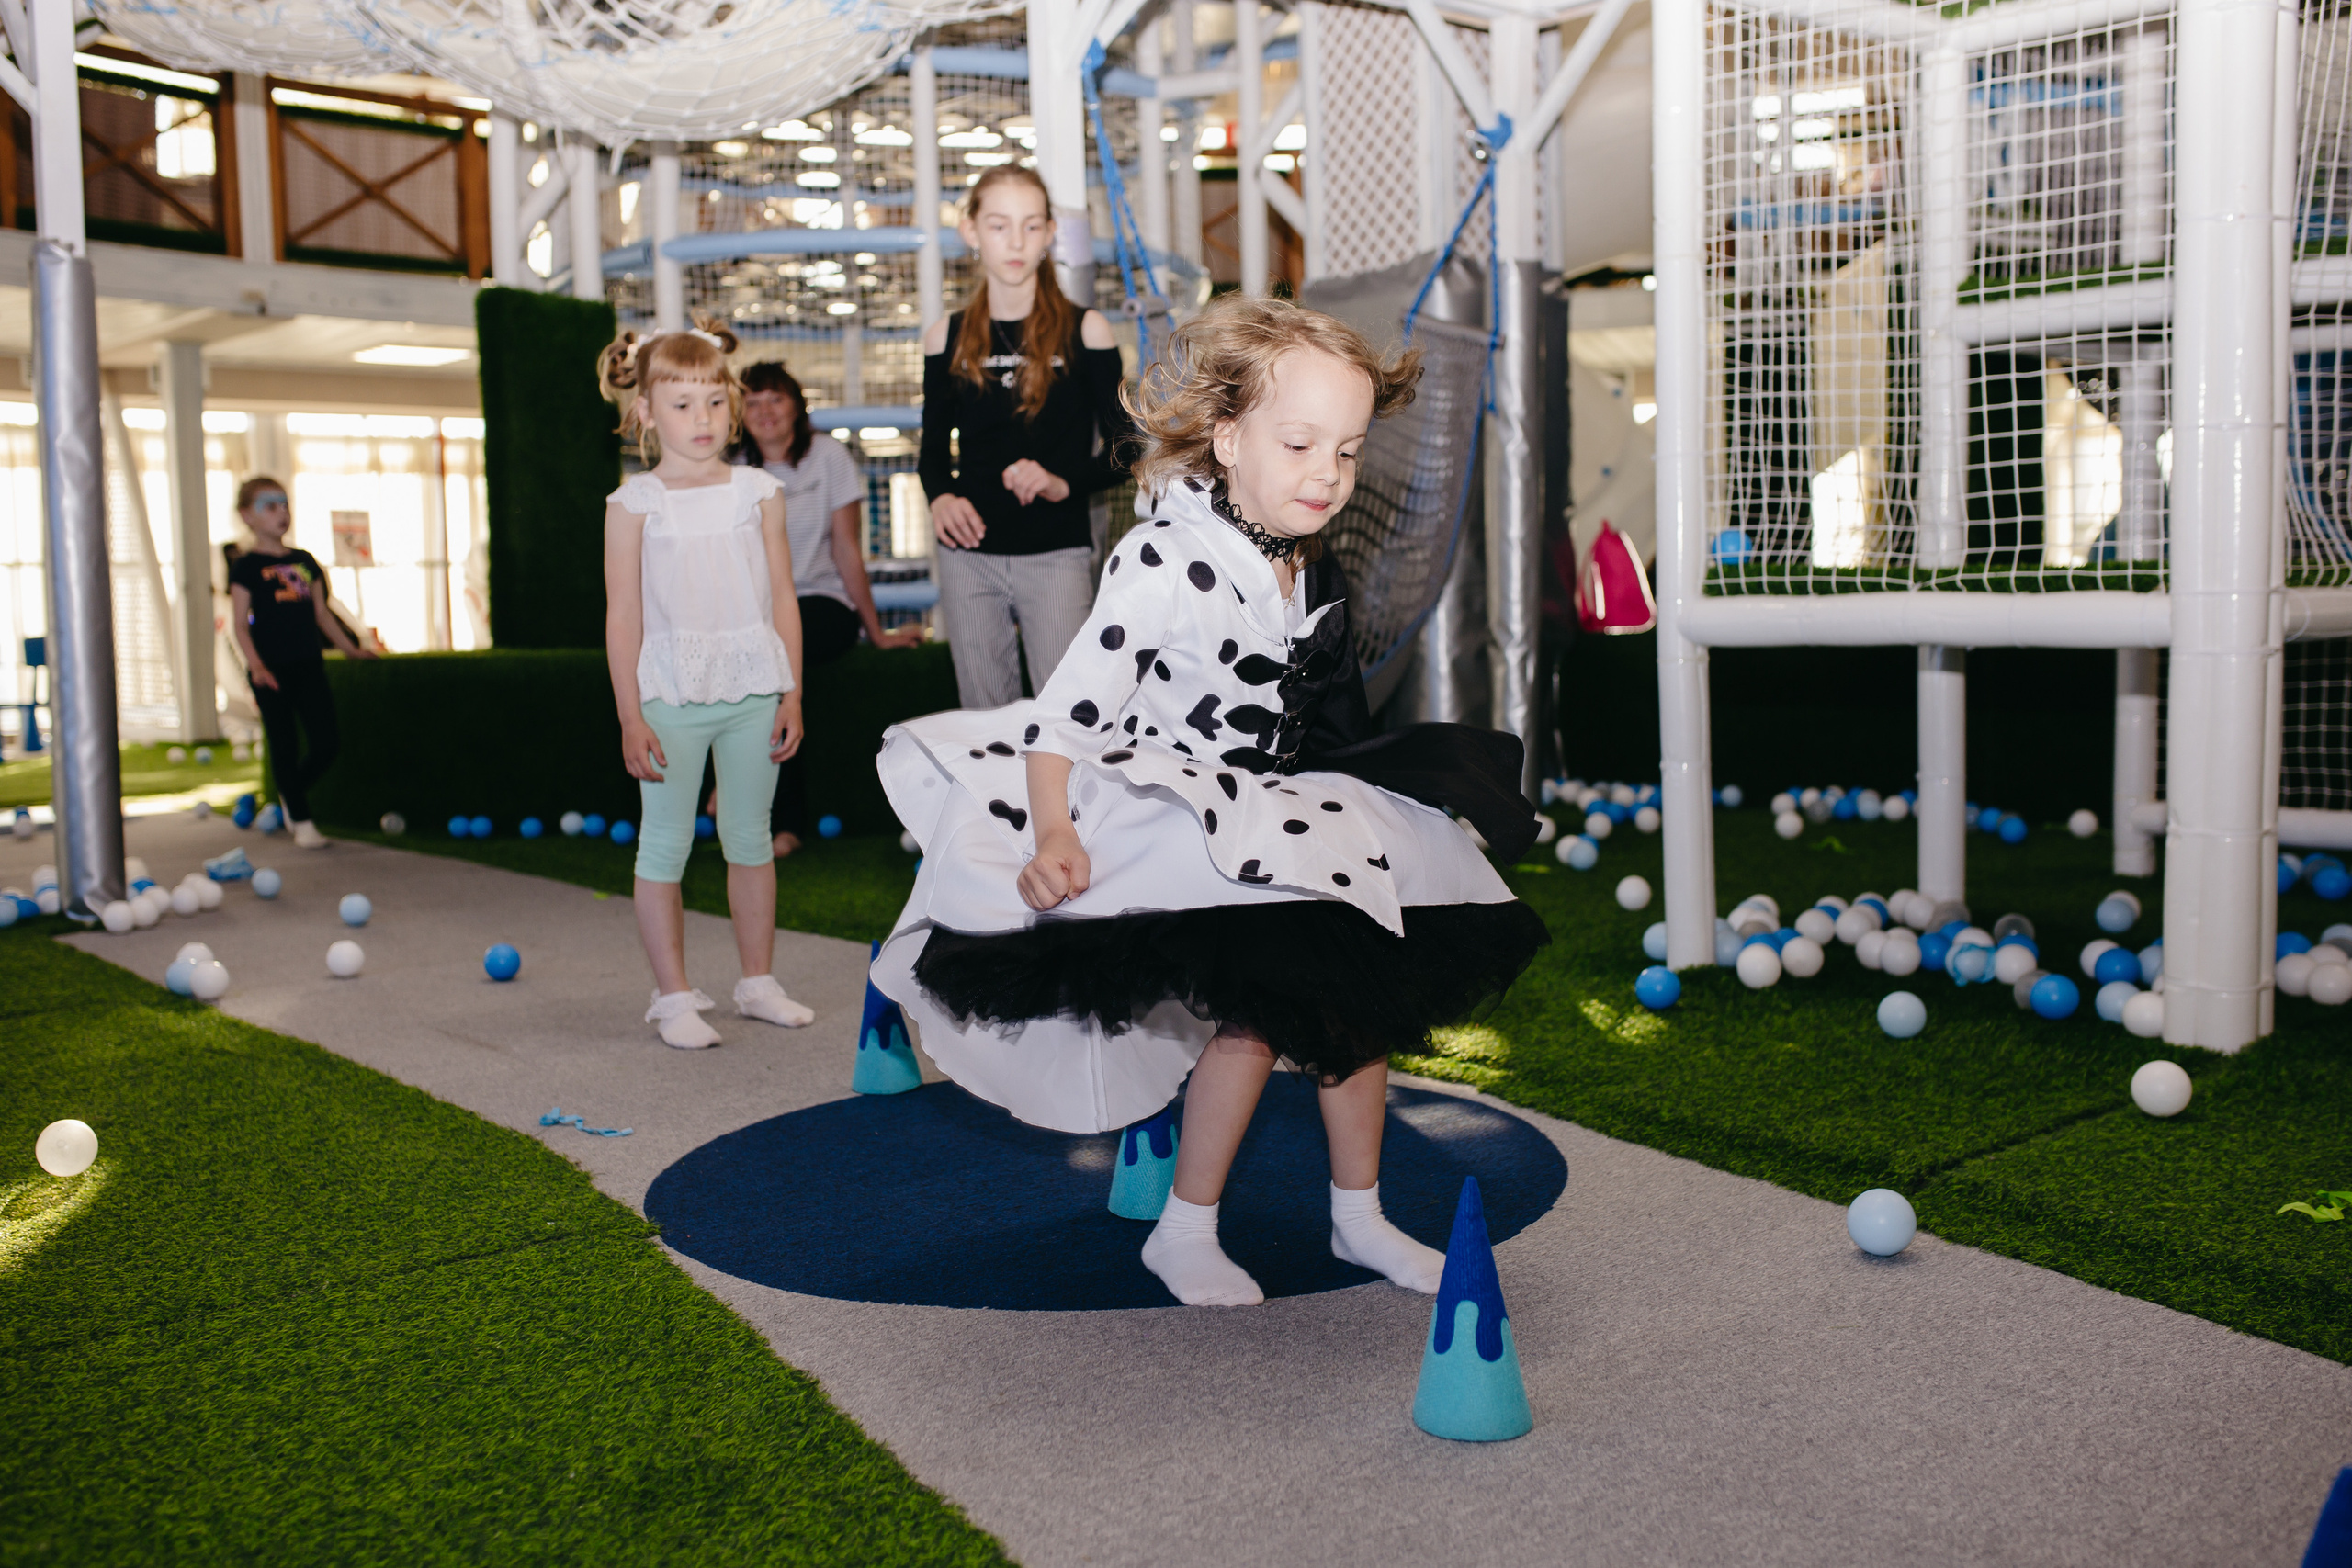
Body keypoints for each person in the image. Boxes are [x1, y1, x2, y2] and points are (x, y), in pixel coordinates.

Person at [871, 298, 1550, 1307]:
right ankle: (1184, 1229)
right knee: (1254, 1017)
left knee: (1358, 990)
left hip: (1279, 803)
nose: (1328, 473)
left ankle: (1359, 1216)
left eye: (1348, 452)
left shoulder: (1300, 553)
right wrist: (1054, 831)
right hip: (1180, 808)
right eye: (1300, 444)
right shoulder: (1162, 558)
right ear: (1228, 439)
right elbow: (1063, 721)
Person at [600, 315, 819, 1049]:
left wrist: (791, 691)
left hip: (754, 687)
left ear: (733, 405)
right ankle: (672, 997)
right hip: (669, 695)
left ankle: (757, 982)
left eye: (715, 401)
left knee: (749, 837)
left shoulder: (759, 491)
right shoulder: (633, 504)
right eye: (682, 403)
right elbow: (623, 616)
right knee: (663, 845)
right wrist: (631, 715)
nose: (702, 418)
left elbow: (783, 595)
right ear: (644, 411)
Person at [920, 164, 1139, 710]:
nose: (1016, 241)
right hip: (969, 554)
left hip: (1055, 552)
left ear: (1049, 234)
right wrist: (941, 497)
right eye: (999, 225)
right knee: (984, 718)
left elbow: (1127, 446)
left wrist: (1061, 482)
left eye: (1031, 225)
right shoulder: (945, 337)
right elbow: (931, 454)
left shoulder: (1086, 329)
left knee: (1066, 715)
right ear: (971, 231)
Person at [732, 359, 921, 857]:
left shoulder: (828, 456)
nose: (765, 411)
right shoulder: (732, 467)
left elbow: (846, 549)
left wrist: (875, 631)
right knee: (765, 663)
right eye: (752, 402)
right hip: (755, 615)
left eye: (775, 399)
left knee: (773, 661)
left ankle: (781, 822)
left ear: (797, 406)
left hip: (822, 605)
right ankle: (741, 798)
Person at [226, 476, 377, 850]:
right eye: (269, 506)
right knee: (284, 744)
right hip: (271, 672)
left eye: (284, 504)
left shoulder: (305, 562)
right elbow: (240, 625)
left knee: (326, 743)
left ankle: (290, 794)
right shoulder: (246, 567)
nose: (281, 512)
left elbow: (322, 615)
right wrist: (257, 666)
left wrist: (351, 649)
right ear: (247, 515)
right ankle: (302, 820)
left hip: (308, 665)